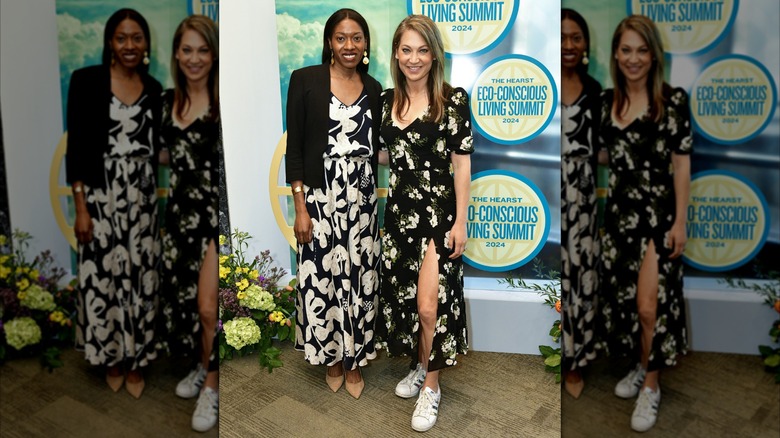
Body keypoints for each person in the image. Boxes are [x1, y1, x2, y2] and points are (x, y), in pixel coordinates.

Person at [376, 14, 473, 433]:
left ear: (434, 55)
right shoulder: (385, 101)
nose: (414, 58)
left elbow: (462, 165)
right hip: (399, 215)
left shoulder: (453, 101)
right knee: (408, 301)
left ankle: (431, 387)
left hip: (438, 216)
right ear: (396, 54)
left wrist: (461, 221)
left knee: (430, 306)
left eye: (422, 50)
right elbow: (388, 154)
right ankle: (420, 364)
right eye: (406, 50)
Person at [599, 15, 692, 432]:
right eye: (626, 50)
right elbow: (606, 153)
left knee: (649, 306)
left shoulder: (673, 101)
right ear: (616, 55)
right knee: (628, 305)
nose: (633, 58)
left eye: (641, 50)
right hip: (620, 217)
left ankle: (651, 385)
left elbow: (681, 165)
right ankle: (642, 364)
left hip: (658, 217)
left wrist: (681, 222)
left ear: (654, 55)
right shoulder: (606, 102)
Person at [285, 8, 382, 400]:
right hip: (319, 199)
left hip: (362, 201)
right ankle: (332, 358)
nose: (349, 45)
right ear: (329, 42)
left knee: (360, 278)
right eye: (341, 38)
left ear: (365, 44)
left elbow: (378, 148)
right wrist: (300, 207)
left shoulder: (374, 88)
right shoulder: (305, 80)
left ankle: (354, 359)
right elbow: (295, 149)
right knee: (322, 279)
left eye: (356, 38)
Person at [66, 8, 162, 399]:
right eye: (121, 38)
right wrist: (81, 207)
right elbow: (76, 150)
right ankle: (111, 358)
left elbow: (158, 148)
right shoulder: (86, 81)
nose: (129, 45)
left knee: (141, 278)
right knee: (103, 279)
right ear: (110, 42)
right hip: (100, 198)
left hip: (142, 202)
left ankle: (136, 359)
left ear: (146, 43)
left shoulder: (154, 88)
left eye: (136, 37)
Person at [158, 15, 220, 432]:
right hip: (180, 218)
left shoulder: (221, 104)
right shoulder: (165, 103)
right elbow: (165, 154)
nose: (194, 58)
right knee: (190, 307)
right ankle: (203, 365)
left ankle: (212, 387)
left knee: (208, 307)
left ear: (213, 55)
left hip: (213, 219)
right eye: (187, 50)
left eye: (203, 50)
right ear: (176, 55)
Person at [560, 8, 602, 400]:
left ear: (585, 43)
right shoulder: (545, 89)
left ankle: (576, 361)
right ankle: (554, 352)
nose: (569, 44)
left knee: (580, 277)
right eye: (562, 36)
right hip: (549, 196)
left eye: (576, 37)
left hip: (583, 201)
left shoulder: (595, 90)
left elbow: (603, 150)